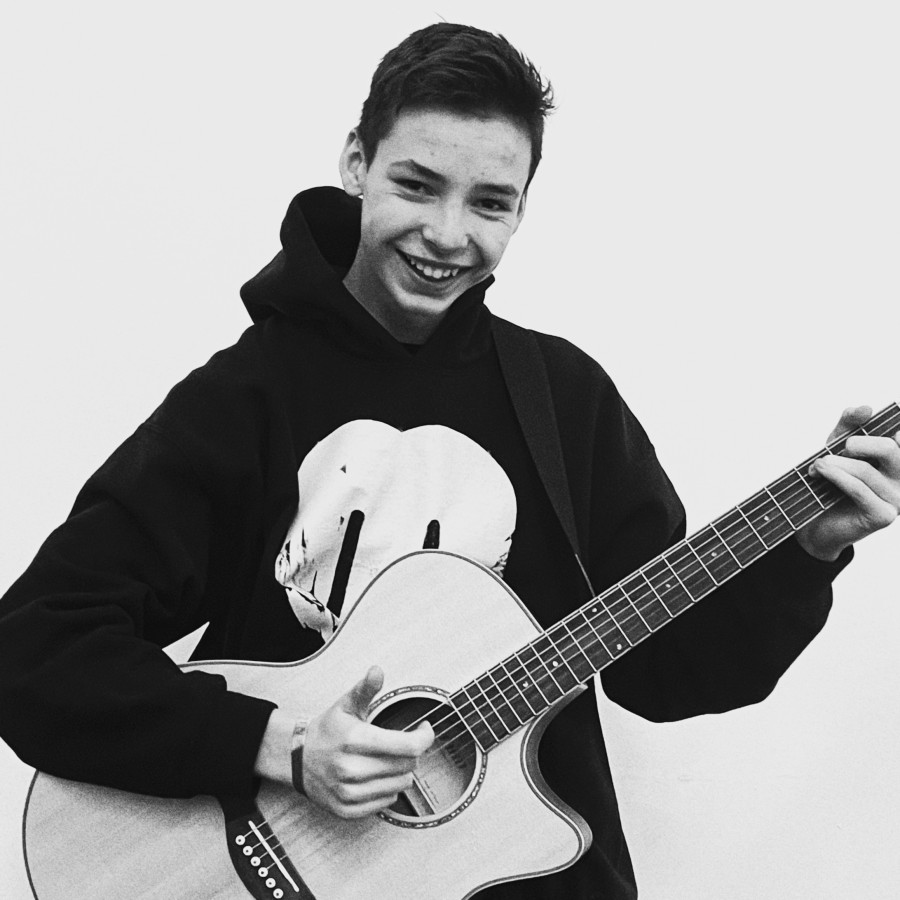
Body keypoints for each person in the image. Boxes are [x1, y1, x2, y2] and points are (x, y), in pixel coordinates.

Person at [1, 21, 898, 900]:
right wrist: (277, 743)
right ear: (357, 162)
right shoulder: (245, 400)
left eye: (489, 203)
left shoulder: (564, 399)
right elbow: (33, 648)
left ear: (522, 209)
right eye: (417, 185)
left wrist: (805, 550)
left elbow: (666, 673)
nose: (446, 233)